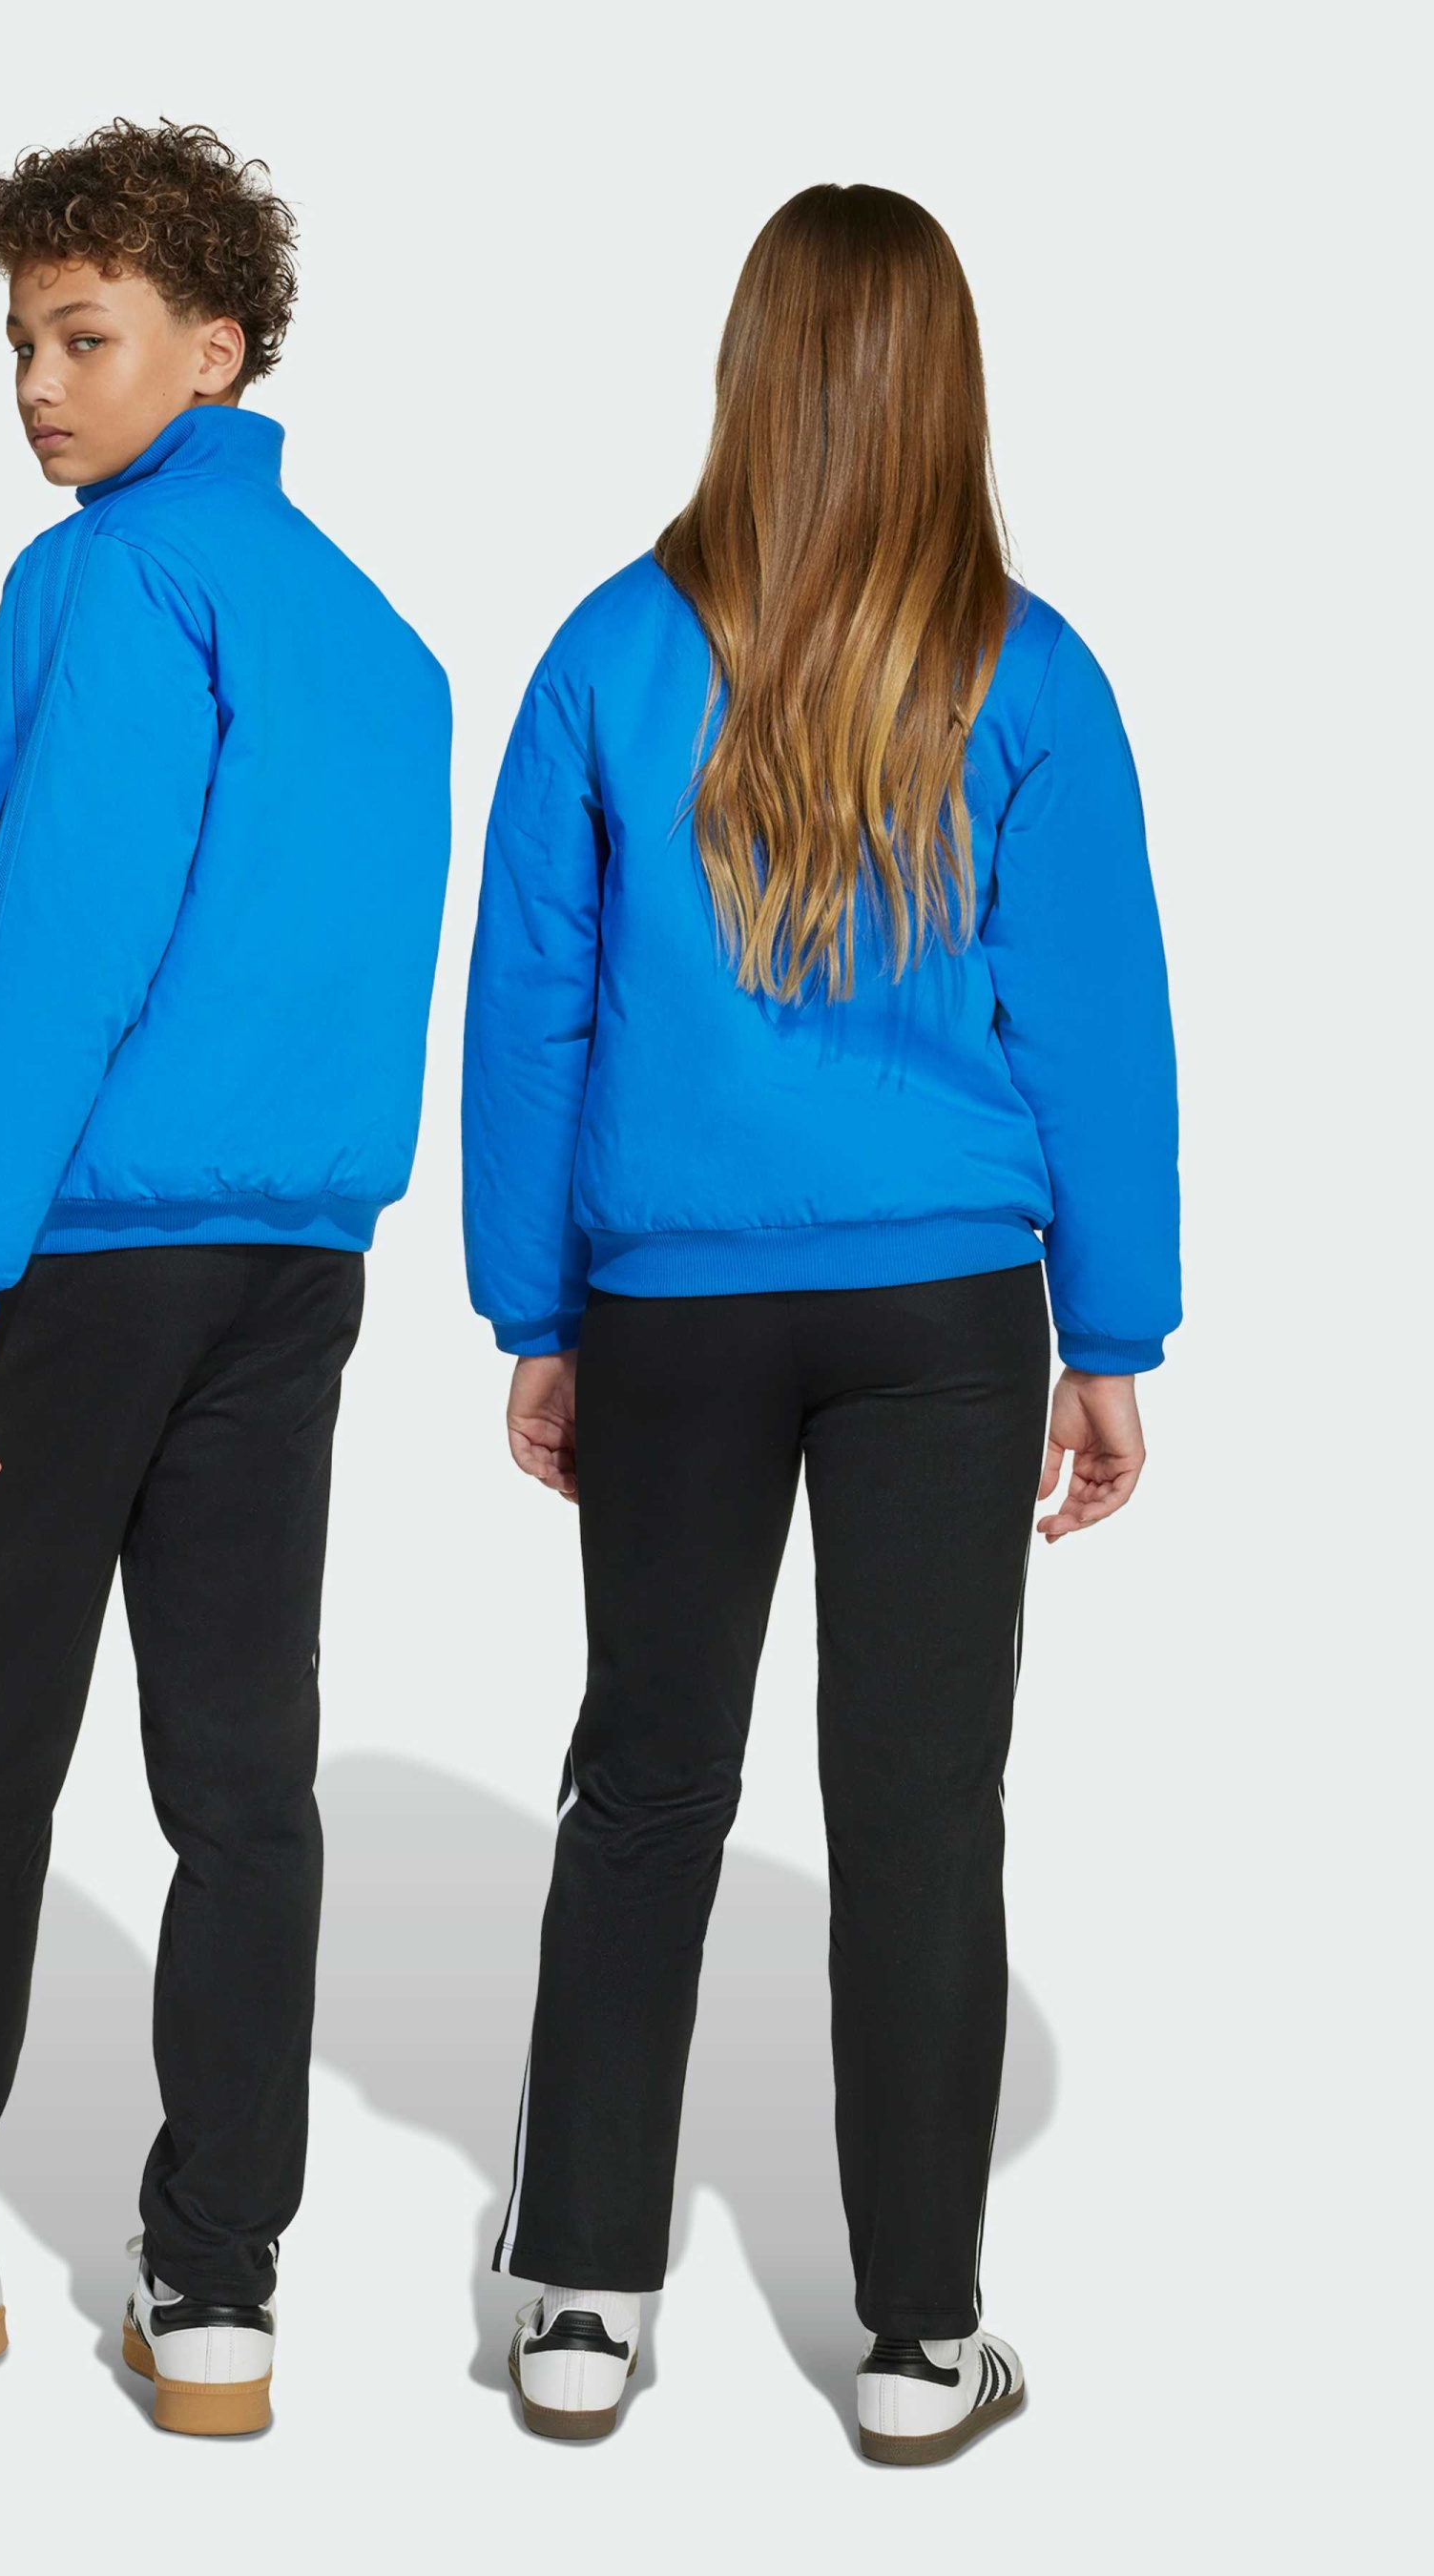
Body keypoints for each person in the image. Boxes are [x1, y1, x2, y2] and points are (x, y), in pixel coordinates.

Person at [0, 119, 452, 2435]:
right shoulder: (381, 636)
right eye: (19, 340)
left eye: (85, 336)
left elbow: (49, 940)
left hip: (97, 1254)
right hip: (295, 1268)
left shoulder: (111, 578)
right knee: (243, 1781)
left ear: (214, 348)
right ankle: (213, 2291)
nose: (37, 384)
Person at [463, 183, 1176, 2460]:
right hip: (941, 1313)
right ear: (940, 382)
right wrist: (1110, 1336)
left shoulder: (605, 648)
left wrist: (532, 1306)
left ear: (745, 365)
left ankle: (580, 2300)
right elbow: (1092, 1026)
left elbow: (531, 1011)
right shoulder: (1028, 671)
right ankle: (917, 2340)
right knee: (919, 1807)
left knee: (643, 1781)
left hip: (669, 1304)